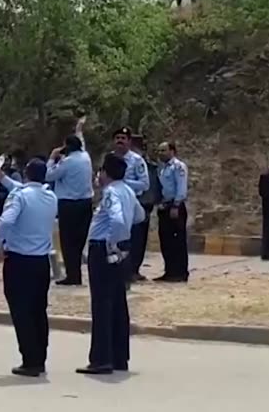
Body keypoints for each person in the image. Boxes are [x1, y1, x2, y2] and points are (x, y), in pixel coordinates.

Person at [0, 159, 58, 377]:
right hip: (41, 262)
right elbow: (24, 191)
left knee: (22, 312)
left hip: (19, 260)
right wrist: (2, 178)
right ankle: (39, 357)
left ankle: (29, 360)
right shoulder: (51, 197)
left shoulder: (19, 196)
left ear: (26, 174)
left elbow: (5, 221)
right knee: (39, 310)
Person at [78, 154, 139, 376]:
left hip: (104, 250)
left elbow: (119, 220)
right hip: (119, 252)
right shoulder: (129, 191)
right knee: (118, 303)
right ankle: (119, 356)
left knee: (102, 304)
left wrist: (113, 242)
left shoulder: (111, 192)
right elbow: (138, 216)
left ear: (105, 173)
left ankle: (102, 359)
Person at [46, 127, 94, 286]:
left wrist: (52, 158)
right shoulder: (86, 157)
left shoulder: (67, 162)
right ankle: (76, 273)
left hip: (68, 204)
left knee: (68, 241)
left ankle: (72, 275)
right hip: (86, 203)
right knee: (79, 241)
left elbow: (49, 175)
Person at [113, 128, 151, 283]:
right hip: (114, 202)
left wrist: (123, 183)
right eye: (117, 138)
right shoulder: (110, 158)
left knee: (133, 239)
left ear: (129, 141)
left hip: (131, 202)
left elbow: (144, 184)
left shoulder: (136, 160)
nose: (120, 141)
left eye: (123, 138)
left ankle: (132, 270)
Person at [155, 142, 189, 282]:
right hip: (165, 206)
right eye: (159, 150)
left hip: (175, 207)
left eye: (164, 150)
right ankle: (169, 271)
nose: (161, 153)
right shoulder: (163, 169)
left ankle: (180, 272)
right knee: (166, 241)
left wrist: (176, 205)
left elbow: (181, 187)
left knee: (178, 241)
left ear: (172, 151)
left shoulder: (178, 167)